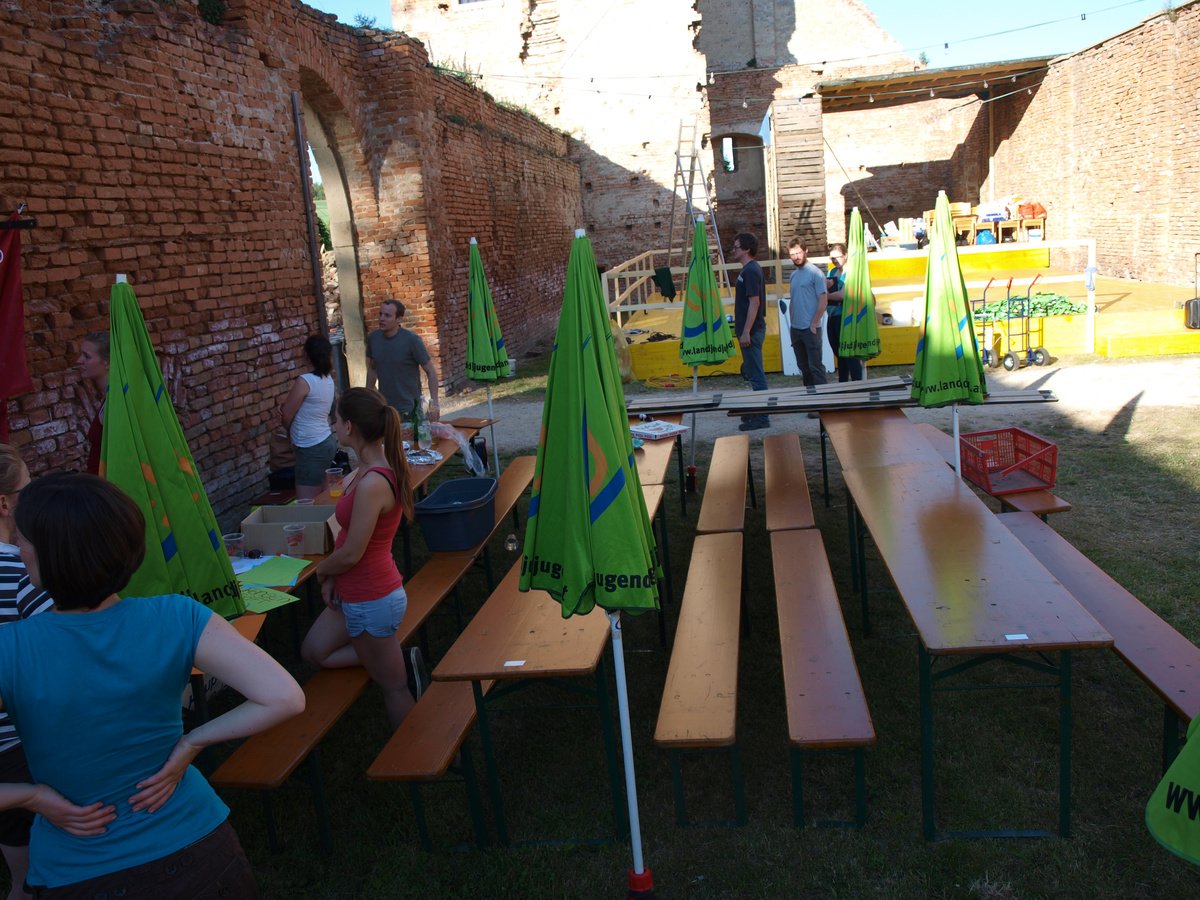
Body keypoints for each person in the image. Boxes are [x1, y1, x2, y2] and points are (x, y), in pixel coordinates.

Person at [0, 473, 304, 897]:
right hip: (203, 854)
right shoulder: (177, 616)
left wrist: (30, 797)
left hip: (84, 872)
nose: (17, 549)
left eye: (23, 540)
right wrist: (192, 742)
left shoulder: (10, 648)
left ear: (54, 555)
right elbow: (284, 697)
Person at [300, 388, 422, 729]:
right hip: (353, 592)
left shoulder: (374, 483)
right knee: (314, 651)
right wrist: (334, 578)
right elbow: (349, 539)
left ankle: (416, 749)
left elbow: (353, 552)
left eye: (336, 419)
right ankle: (386, 656)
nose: (333, 425)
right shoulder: (363, 471)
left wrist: (322, 572)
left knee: (394, 688)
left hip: (372, 597)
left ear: (350, 426)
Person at [0, 446, 53, 900]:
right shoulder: (20, 566)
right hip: (20, 739)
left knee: (16, 858)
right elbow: (60, 650)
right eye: (28, 487)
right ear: (5, 503)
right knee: (45, 870)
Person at [281, 335, 337, 500]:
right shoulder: (328, 379)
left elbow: (286, 415)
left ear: (306, 355)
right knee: (324, 498)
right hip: (324, 440)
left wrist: (288, 429)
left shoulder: (304, 381)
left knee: (306, 503)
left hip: (310, 446)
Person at [365, 300, 440, 422]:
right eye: (381, 314)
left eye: (387, 315)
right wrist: (368, 397)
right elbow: (372, 369)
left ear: (399, 319)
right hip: (385, 409)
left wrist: (434, 403)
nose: (382, 318)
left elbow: (430, 371)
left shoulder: (412, 340)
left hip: (410, 409)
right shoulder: (373, 338)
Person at [730, 233, 769, 432]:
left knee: (756, 374)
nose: (733, 250)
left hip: (751, 331)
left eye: (736, 247)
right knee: (752, 372)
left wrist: (746, 331)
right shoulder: (748, 270)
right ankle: (757, 410)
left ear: (746, 249)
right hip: (749, 330)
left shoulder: (751, 271)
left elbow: (755, 302)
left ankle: (762, 417)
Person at [786, 239, 828, 417]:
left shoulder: (815, 273)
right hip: (796, 328)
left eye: (798, 252)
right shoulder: (794, 275)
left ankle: (823, 405)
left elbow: (823, 301)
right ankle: (811, 402)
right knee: (803, 366)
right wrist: (791, 322)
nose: (796, 256)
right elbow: (793, 300)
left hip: (810, 328)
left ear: (806, 251)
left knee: (815, 366)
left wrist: (814, 323)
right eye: (792, 254)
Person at [824, 243, 865, 382]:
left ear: (846, 255)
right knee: (838, 352)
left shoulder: (851, 273)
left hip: (846, 316)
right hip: (832, 315)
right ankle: (843, 383)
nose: (834, 261)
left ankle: (857, 384)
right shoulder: (831, 272)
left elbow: (842, 295)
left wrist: (825, 295)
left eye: (837, 257)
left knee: (849, 353)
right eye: (832, 258)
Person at [75, 333, 109, 475]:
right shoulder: (108, 396)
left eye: (87, 356)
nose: (79, 361)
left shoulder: (115, 404)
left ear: (107, 362)